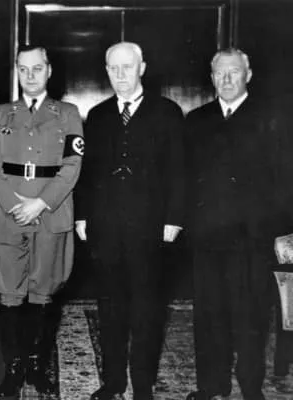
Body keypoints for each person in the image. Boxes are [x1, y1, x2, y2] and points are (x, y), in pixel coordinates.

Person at [75, 41, 185, 400]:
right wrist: (82, 215)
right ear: (106, 71)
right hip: (106, 227)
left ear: (142, 68)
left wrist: (173, 219)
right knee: (110, 308)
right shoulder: (98, 115)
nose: (120, 74)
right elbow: (88, 172)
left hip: (150, 227)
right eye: (114, 68)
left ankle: (141, 385)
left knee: (147, 310)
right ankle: (113, 382)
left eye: (128, 66)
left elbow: (178, 171)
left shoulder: (167, 112)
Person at [184, 48, 288, 400]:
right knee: (208, 315)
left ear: (248, 75)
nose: (226, 79)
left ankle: (250, 386)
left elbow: (285, 181)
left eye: (234, 72)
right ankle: (211, 385)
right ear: (211, 77)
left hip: (252, 238)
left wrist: (278, 232)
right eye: (220, 73)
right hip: (207, 237)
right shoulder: (196, 120)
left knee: (250, 317)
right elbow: (185, 178)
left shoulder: (271, 119)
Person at [0, 44, 84, 397]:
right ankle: (13, 370)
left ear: (49, 70)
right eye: (23, 69)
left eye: (37, 68)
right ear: (17, 71)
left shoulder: (67, 114)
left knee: (44, 291)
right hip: (6, 212)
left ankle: (37, 368)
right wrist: (15, 205)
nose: (30, 75)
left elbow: (72, 165)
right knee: (9, 293)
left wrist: (40, 203)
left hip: (50, 212)